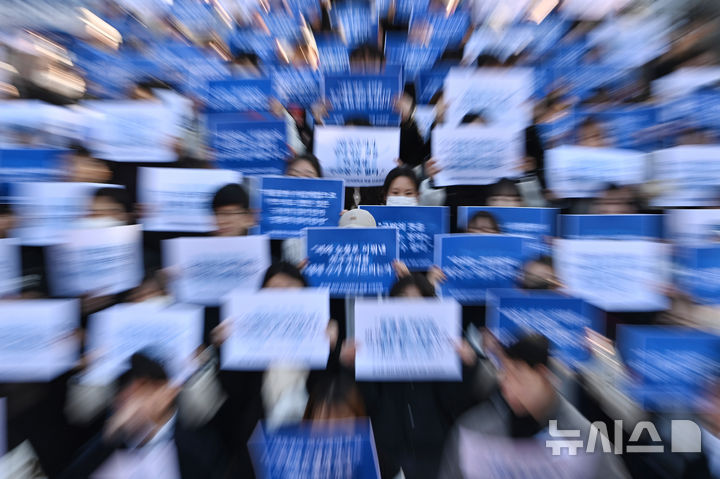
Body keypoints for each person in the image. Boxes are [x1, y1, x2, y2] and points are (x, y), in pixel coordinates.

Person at [341, 274, 480, 479]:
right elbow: (367, 402)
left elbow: (456, 404)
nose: (411, 305)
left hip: (436, 453)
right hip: (386, 453)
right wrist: (351, 366)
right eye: (403, 298)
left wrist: (467, 367)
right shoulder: (373, 344)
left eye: (420, 300)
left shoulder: (446, 347)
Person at [438, 333, 630, 479]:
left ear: (543, 375)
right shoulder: (475, 430)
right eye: (506, 374)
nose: (509, 386)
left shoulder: (583, 438)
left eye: (519, 377)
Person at [59, 353, 228, 479]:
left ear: (167, 394)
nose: (131, 398)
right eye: (126, 389)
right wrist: (109, 437)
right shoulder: (101, 444)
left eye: (143, 388)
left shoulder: (200, 445)